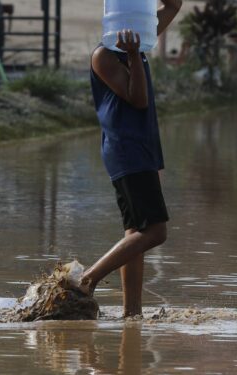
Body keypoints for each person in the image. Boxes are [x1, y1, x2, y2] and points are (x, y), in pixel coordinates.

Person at [73, 0, 182, 318]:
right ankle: (87, 280)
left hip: (141, 148)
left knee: (136, 232)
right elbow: (137, 98)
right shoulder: (104, 56)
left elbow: (174, 5)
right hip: (126, 150)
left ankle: (132, 313)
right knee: (155, 232)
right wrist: (134, 55)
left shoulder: (143, 36)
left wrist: (146, 23)